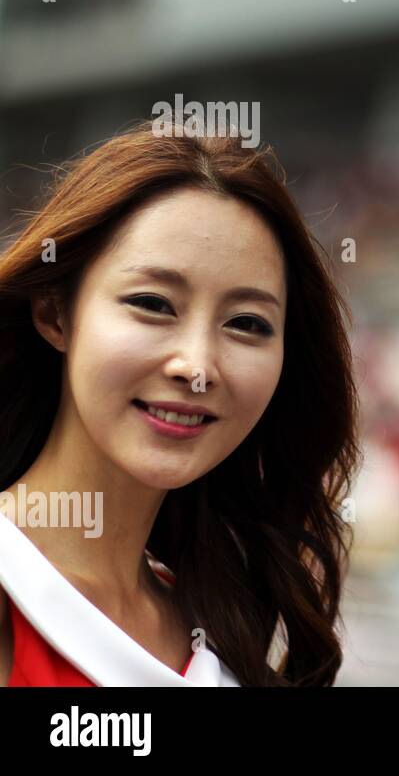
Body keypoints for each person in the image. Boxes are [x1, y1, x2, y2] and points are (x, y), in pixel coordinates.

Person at [0, 120, 359, 686]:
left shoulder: (224, 624)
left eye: (246, 323)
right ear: (54, 314)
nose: (196, 368)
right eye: (153, 303)